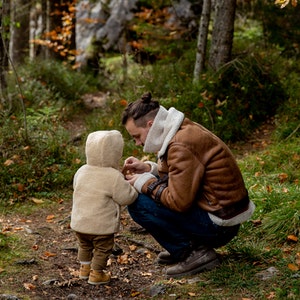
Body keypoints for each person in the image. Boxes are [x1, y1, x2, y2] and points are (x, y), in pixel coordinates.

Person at [121, 92, 255, 278]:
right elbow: (182, 175)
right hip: (222, 213)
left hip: (218, 225)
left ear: (151, 125)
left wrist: (144, 183)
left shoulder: (180, 144)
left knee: (137, 203)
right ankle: (186, 245)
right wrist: (147, 169)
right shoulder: (182, 129)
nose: (137, 142)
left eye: (136, 136)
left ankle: (192, 252)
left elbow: (178, 201)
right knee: (146, 195)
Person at [71, 130, 138, 285]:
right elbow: (126, 197)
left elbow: (77, 187)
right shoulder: (112, 176)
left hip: (80, 223)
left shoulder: (81, 170)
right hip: (101, 226)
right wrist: (133, 187)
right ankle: (96, 274)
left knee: (84, 245)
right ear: (115, 153)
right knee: (103, 249)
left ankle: (84, 270)